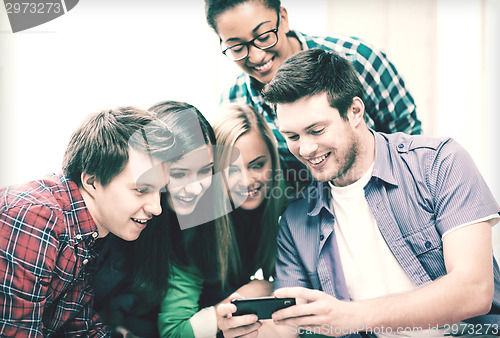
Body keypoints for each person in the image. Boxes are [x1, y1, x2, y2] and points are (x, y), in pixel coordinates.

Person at [217, 49, 500, 338]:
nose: (305, 149)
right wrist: (244, 329)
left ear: (355, 111)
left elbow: (474, 290)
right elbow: (289, 328)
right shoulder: (296, 220)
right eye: (292, 137)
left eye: (316, 130)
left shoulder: (439, 164)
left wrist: (352, 316)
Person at [205, 0, 422, 191]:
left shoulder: (358, 59)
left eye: (263, 37)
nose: (256, 56)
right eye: (236, 47)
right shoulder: (236, 103)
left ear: (283, 18)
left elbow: (408, 136)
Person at [0, 106, 175, 336]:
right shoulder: (38, 218)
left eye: (160, 192)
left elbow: (80, 326)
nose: (157, 208)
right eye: (142, 190)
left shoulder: (87, 231)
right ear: (92, 181)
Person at [92, 100, 221, 337]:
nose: (195, 188)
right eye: (180, 173)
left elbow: (175, 324)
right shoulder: (111, 214)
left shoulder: (190, 229)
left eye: (205, 170)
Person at [157, 103, 287, 337]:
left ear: (273, 162)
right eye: (231, 169)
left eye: (257, 165)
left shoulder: (285, 202)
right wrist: (250, 294)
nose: (247, 181)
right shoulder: (195, 228)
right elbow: (172, 331)